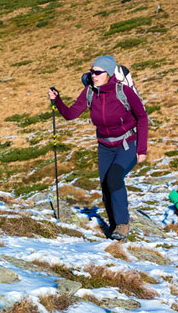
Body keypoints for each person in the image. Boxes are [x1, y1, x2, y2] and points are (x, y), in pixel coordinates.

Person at [48, 55, 148, 241]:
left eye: (97, 72)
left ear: (108, 74)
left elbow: (142, 117)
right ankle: (113, 226)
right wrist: (58, 100)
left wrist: (141, 149)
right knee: (105, 186)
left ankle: (122, 224)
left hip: (127, 143)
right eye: (91, 72)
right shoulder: (89, 92)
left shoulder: (124, 91)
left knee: (114, 178)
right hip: (105, 146)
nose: (93, 75)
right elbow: (70, 114)